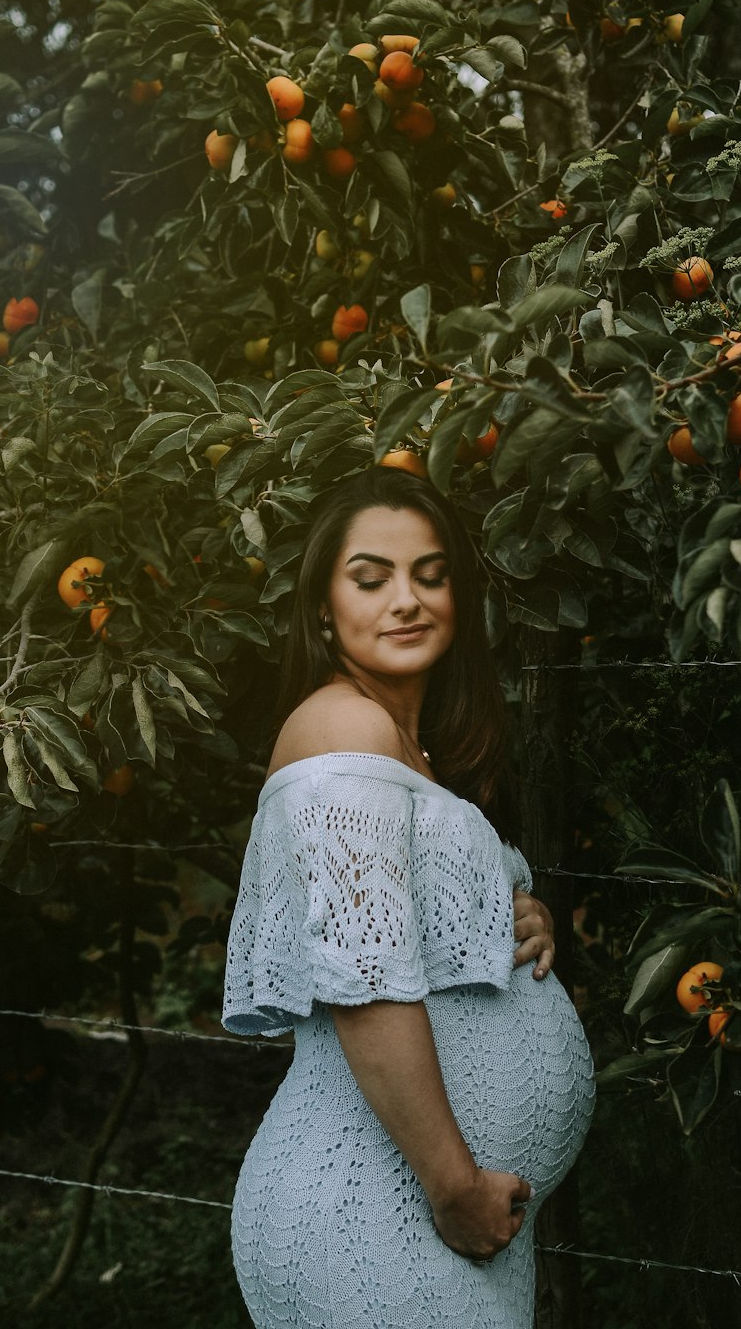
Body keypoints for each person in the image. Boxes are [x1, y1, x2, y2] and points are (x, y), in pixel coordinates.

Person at [222, 467, 595, 1328]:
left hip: (431, 1223)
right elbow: (365, 981)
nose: (407, 599)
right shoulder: (342, 724)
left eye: (432, 575)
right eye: (371, 577)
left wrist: (509, 907)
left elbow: (401, 928)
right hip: (385, 1215)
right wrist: (454, 1185)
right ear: (322, 606)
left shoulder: (408, 748)